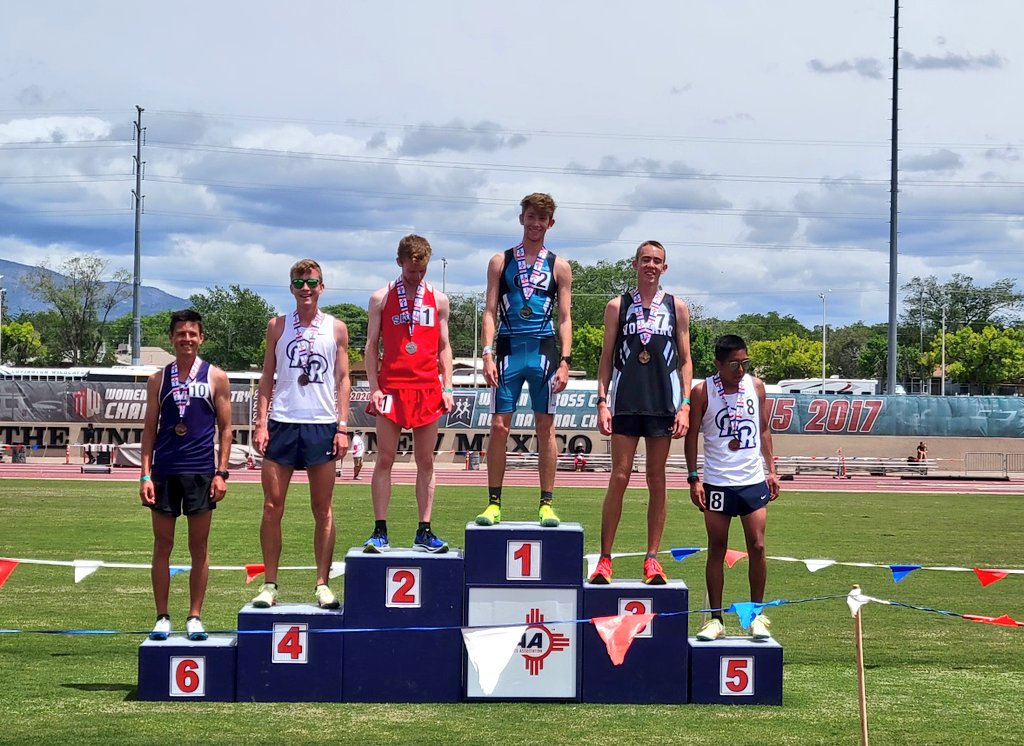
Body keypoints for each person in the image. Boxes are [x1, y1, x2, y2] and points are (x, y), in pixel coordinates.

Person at [588, 241, 693, 586]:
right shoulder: (618, 306)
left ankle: (652, 559)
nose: (650, 265)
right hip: (626, 399)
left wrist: (685, 405)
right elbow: (606, 357)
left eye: (657, 261)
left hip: (663, 401)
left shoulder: (677, 307)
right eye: (645, 259)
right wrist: (602, 401)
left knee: (657, 479)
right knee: (619, 476)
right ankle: (605, 558)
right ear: (635, 264)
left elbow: (685, 359)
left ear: (665, 268)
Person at [251, 259, 350, 609]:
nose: (305, 288)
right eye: (298, 283)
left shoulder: (336, 328)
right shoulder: (277, 326)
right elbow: (266, 377)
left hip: (321, 424)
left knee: (322, 508)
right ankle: (270, 584)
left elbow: (342, 378)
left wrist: (341, 426)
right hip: (282, 422)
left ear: (322, 287)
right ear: (291, 287)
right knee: (271, 506)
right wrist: (261, 423)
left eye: (311, 282)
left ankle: (322, 583)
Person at [477, 192, 573, 527]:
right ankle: (493, 503)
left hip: (544, 351)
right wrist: (487, 354)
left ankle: (546, 503)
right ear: (521, 218)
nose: (535, 223)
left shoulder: (559, 266)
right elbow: (489, 311)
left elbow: (564, 318)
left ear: (551, 223)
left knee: (545, 426)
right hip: (508, 350)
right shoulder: (499, 261)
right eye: (530, 216)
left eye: (542, 218)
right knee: (499, 425)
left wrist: (564, 360)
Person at [139, 309, 232, 641]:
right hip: (164, 472)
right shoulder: (158, 379)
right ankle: (162, 616)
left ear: (201, 338)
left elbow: (226, 429)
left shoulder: (216, 377)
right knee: (162, 545)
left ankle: (195, 616)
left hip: (201, 473)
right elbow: (149, 431)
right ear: (172, 338)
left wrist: (222, 473)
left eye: (192, 334)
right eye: (181, 334)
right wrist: (145, 476)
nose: (186, 339)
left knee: (199, 547)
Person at [362, 235, 454, 553]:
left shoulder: (439, 300)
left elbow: (444, 347)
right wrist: (374, 389)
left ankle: (424, 532)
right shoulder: (381, 298)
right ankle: (380, 532)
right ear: (399, 262)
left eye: (422, 270)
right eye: (412, 270)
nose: (416, 276)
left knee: (425, 461)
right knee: (385, 459)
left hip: (428, 387)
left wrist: (448, 386)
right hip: (392, 387)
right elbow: (371, 346)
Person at [685, 334, 780, 641]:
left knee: (758, 546)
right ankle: (715, 619)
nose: (740, 369)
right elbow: (691, 437)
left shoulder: (757, 387)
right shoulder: (703, 391)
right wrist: (693, 477)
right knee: (717, 549)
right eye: (734, 364)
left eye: (744, 362)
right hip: (717, 481)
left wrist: (772, 470)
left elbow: (764, 429)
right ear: (718, 364)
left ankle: (755, 615)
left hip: (752, 480)